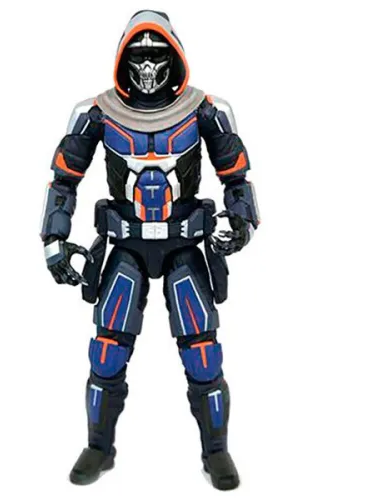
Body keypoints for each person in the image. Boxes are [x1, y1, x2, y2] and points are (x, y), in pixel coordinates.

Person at [40, 10, 260, 491]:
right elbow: (63, 181)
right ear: (123, 59)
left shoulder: (205, 110)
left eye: (156, 55)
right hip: (127, 244)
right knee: (107, 349)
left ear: (173, 57)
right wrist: (53, 240)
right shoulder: (96, 113)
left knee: (202, 351)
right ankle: (99, 446)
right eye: (137, 56)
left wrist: (242, 222)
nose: (146, 67)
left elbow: (237, 177)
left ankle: (216, 451)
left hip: (184, 244)